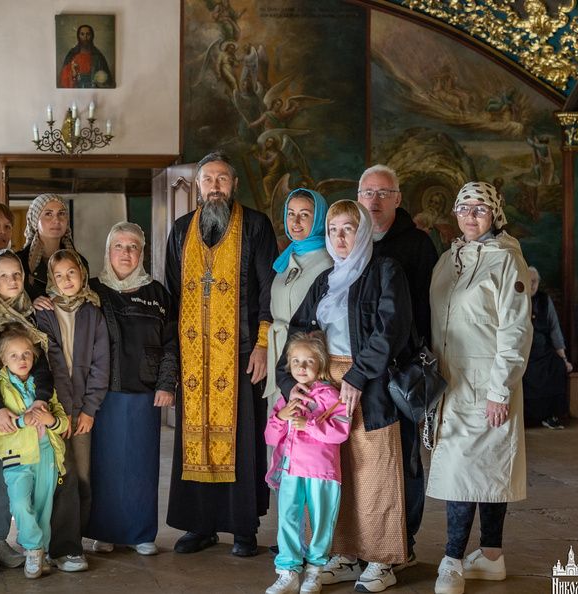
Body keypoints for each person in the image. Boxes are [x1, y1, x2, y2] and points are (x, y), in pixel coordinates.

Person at [276, 200, 412, 593]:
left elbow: (391, 327)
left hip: (369, 382)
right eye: (333, 229)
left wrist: (357, 375)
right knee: (332, 473)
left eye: (348, 229)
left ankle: (381, 561)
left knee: (374, 470)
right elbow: (299, 332)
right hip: (324, 385)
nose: (339, 237)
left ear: (363, 231)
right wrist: (290, 381)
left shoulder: (385, 271)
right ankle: (343, 554)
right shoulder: (325, 279)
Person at [165, 151, 277, 557]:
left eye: (222, 179)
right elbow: (172, 295)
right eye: (208, 179)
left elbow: (269, 288)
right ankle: (201, 526)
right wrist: (172, 358)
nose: (215, 186)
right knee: (193, 439)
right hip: (194, 355)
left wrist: (263, 343)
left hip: (242, 352)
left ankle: (244, 528)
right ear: (198, 185)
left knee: (243, 439)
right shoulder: (181, 229)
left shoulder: (256, 226)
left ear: (234, 185)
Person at [427, 182, 532, 594]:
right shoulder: (448, 258)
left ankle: (452, 561)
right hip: (450, 383)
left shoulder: (506, 260)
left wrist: (500, 390)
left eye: (480, 209)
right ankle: (491, 557)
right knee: (482, 471)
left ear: (495, 214)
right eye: (463, 208)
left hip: (487, 384)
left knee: (466, 472)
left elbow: (516, 329)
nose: (470, 216)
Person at [356, 164, 438, 569]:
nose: (375, 200)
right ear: (358, 198)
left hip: (401, 368)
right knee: (364, 460)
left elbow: (428, 308)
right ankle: (363, 540)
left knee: (405, 458)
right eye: (368, 192)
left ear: (398, 199)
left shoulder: (417, 244)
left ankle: (404, 541)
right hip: (357, 369)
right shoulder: (351, 238)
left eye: (383, 193)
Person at [84, 222, 179, 556]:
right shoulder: (91, 290)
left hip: (145, 391)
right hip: (101, 392)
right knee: (105, 465)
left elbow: (171, 344)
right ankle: (105, 532)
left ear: (142, 252)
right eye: (119, 246)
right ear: (108, 251)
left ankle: (141, 533)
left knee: (141, 464)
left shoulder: (158, 293)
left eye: (133, 246)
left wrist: (166, 384)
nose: (125, 253)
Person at [0, 249, 53, 574]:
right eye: (2, 275)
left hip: (24, 414)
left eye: (16, 274)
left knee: (7, 478)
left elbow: (42, 364)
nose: (11, 280)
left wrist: (41, 400)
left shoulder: (29, 314)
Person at [35, 249, 109, 572]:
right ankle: (60, 548)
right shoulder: (44, 313)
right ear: (51, 279)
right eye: (59, 275)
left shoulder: (94, 312)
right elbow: (51, 364)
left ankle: (73, 543)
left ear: (83, 274)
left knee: (81, 477)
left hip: (82, 413)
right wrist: (64, 410)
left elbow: (101, 365)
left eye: (72, 273)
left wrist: (89, 409)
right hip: (55, 411)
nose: (66, 280)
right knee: (59, 478)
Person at [264, 331, 351, 594]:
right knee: (288, 520)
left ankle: (315, 572)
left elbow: (341, 431)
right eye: (295, 361)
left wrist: (309, 424)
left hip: (322, 472)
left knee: (322, 522)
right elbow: (270, 436)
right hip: (290, 470)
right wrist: (281, 416)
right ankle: (288, 573)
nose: (301, 367)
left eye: (308, 361)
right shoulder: (287, 397)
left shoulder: (331, 396)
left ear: (320, 364)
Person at [0, 326, 70, 580]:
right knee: (20, 504)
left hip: (47, 455)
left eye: (26, 354)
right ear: (3, 360)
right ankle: (33, 546)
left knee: (44, 506)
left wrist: (50, 420)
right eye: (13, 355)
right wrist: (23, 421)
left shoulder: (43, 386)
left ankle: (40, 553)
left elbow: (62, 421)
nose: (21, 359)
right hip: (17, 457)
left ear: (34, 357)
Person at [265, 189, 332, 407]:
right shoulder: (287, 257)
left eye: (304, 214)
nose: (295, 221)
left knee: (300, 417)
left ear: (319, 219)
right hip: (280, 353)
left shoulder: (327, 261)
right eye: (290, 213)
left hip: (306, 361)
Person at [522, 266, 572, 430]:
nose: (532, 285)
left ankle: (550, 416)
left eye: (534, 281)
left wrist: (563, 358)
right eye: (528, 281)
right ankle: (524, 417)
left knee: (558, 366)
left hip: (542, 350)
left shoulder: (545, 300)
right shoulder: (515, 298)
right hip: (522, 351)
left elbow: (554, 329)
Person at [16, 194, 88, 301]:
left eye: (61, 213)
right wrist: (31, 305)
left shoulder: (79, 261)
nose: (57, 220)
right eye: (48, 214)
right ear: (35, 221)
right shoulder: (19, 262)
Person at [59, 24, 114, 88]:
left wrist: (101, 82)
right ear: (78, 36)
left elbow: (107, 79)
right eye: (82, 34)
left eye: (88, 34)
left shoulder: (98, 55)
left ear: (92, 36)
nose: (85, 37)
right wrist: (73, 75)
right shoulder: (72, 55)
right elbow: (63, 79)